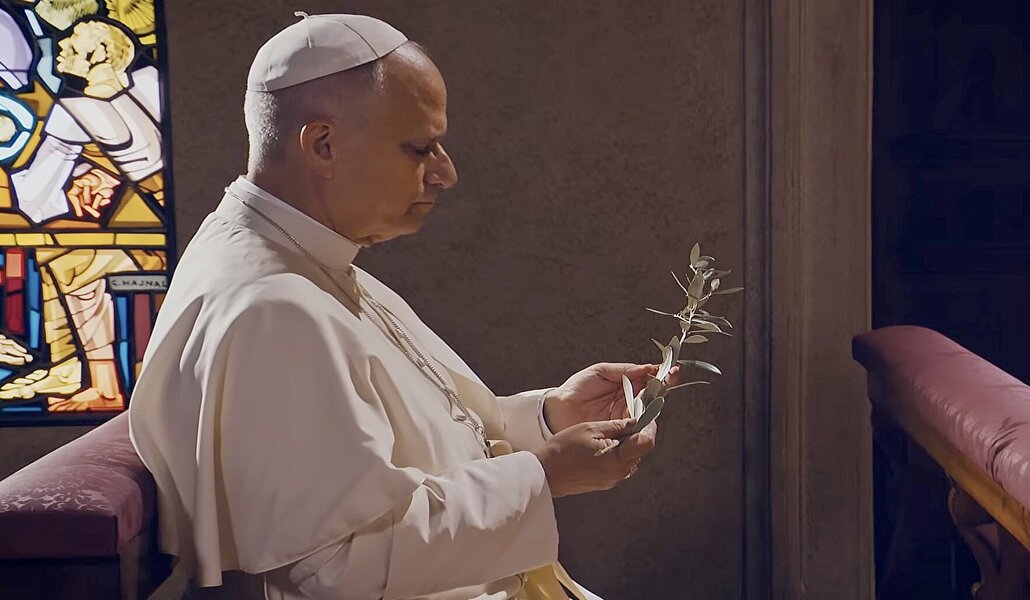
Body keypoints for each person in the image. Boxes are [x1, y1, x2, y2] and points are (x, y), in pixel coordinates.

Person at [129, 13, 675, 600]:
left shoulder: (297, 252)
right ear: (323, 144)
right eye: (420, 148)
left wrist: (548, 419)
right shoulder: (273, 308)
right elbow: (333, 567)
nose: (446, 173)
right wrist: (545, 476)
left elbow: (415, 441)